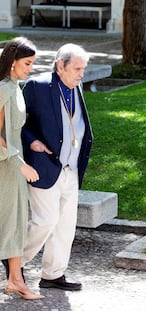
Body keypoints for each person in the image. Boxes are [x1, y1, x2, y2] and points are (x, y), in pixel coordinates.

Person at [20, 43, 93, 291]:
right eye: (77, 68)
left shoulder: (77, 85)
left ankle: (53, 275)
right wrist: (33, 142)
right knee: (45, 220)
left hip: (71, 169)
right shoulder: (36, 86)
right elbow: (17, 123)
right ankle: (14, 261)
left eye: (83, 69)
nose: (81, 74)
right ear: (60, 66)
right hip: (44, 167)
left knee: (65, 226)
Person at [0, 37, 44, 300]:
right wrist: (20, 164)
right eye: (27, 63)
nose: (30, 68)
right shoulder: (3, 89)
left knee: (16, 223)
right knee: (10, 222)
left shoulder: (15, 87)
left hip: (15, 167)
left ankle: (15, 280)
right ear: (12, 61)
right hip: (6, 167)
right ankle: (15, 279)